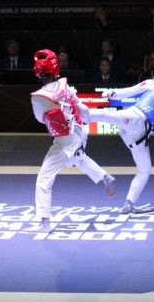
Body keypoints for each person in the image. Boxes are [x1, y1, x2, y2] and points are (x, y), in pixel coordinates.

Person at [31, 49, 116, 233]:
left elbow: (40, 119)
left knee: (44, 179)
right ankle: (105, 177)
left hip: (63, 141)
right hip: (80, 132)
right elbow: (83, 111)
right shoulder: (65, 86)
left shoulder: (39, 97)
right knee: (78, 158)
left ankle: (44, 221)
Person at [85, 55, 154, 214]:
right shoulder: (152, 83)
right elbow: (130, 91)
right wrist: (113, 93)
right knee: (109, 116)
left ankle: (129, 203)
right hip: (135, 119)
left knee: (145, 170)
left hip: (139, 138)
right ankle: (77, 114)